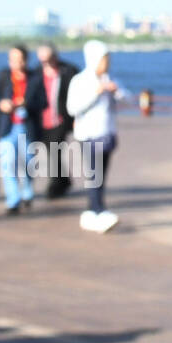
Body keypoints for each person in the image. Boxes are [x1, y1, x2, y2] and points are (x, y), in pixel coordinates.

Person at [67, 40, 124, 233]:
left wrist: (117, 92)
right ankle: (97, 210)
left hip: (106, 133)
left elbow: (127, 98)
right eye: (104, 59)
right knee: (94, 174)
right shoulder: (80, 81)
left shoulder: (108, 78)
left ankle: (96, 209)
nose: (107, 63)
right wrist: (95, 93)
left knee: (102, 173)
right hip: (88, 136)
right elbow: (72, 108)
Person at [0, 45, 46, 215]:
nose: (16, 63)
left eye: (20, 59)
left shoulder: (35, 78)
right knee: (7, 163)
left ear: (26, 60)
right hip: (8, 127)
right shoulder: (2, 76)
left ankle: (27, 192)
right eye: (13, 59)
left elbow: (43, 102)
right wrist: (2, 105)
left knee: (28, 162)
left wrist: (26, 104)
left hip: (27, 126)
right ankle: (13, 200)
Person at [36, 43, 79, 199]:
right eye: (42, 60)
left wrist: (76, 118)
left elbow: (77, 95)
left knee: (54, 150)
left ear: (55, 56)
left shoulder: (69, 71)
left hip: (61, 118)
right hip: (43, 119)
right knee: (51, 151)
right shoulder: (36, 73)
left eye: (48, 58)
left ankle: (55, 185)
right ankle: (64, 180)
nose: (46, 62)